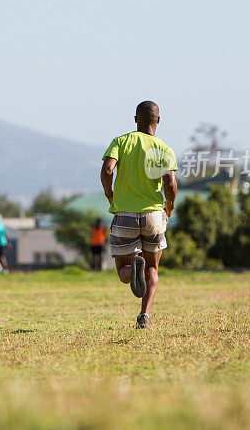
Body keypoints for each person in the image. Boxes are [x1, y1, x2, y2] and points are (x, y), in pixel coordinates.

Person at [100, 101, 178, 329]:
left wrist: (109, 194)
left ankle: (132, 268)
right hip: (154, 215)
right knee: (152, 269)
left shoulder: (121, 142)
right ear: (158, 121)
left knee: (124, 271)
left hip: (124, 214)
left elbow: (107, 170)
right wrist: (169, 206)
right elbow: (170, 182)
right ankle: (144, 315)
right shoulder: (163, 148)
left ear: (135, 119)